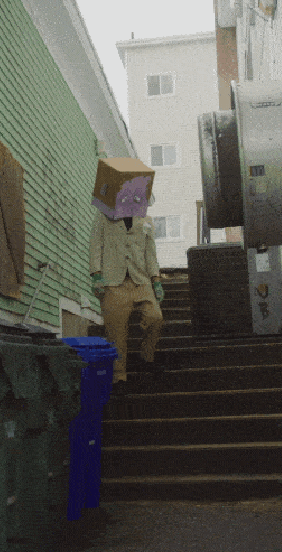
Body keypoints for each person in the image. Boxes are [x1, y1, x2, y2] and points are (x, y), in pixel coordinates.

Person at [89, 159, 165, 393]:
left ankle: (146, 354)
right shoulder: (104, 217)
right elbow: (95, 246)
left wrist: (157, 281)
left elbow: (150, 254)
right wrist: (96, 275)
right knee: (116, 333)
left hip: (141, 281)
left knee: (156, 318)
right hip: (114, 282)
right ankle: (119, 377)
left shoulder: (147, 221)